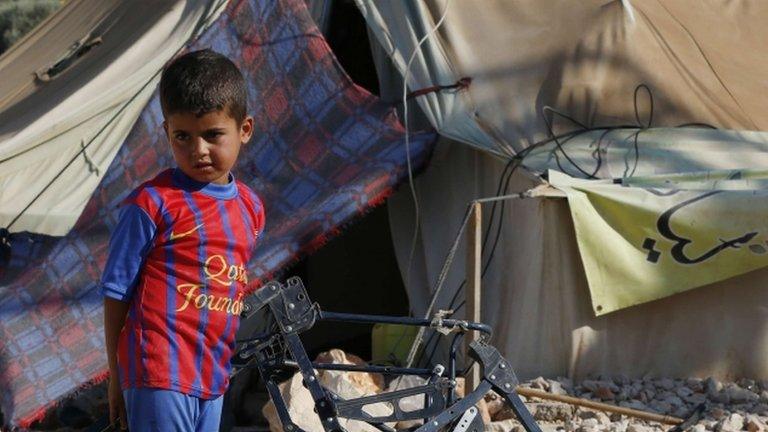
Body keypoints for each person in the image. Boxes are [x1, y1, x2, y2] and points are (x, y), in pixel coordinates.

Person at [100, 49, 265, 431]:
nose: (198, 150)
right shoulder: (151, 204)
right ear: (167, 133)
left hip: (213, 376)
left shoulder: (251, 209)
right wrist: (116, 375)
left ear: (244, 129)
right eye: (183, 137)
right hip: (158, 372)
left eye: (212, 135)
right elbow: (116, 295)